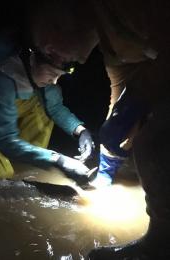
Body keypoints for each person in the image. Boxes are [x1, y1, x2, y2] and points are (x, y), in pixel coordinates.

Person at [31, 0, 170, 258]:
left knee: (152, 143)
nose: (54, 57)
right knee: (130, 150)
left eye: (50, 51)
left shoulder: (128, 8)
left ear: (61, 23)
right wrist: (111, 138)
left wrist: (139, 96)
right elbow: (121, 87)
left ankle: (161, 244)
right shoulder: (108, 40)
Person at [0, 26, 95, 181]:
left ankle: (25, 156)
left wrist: (81, 130)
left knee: (43, 108)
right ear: (32, 59)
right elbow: (6, 141)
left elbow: (55, 107)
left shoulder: (39, 68)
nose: (55, 81)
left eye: (59, 76)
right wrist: (58, 160)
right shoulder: (0, 76)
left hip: (9, 108)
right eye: (52, 74)